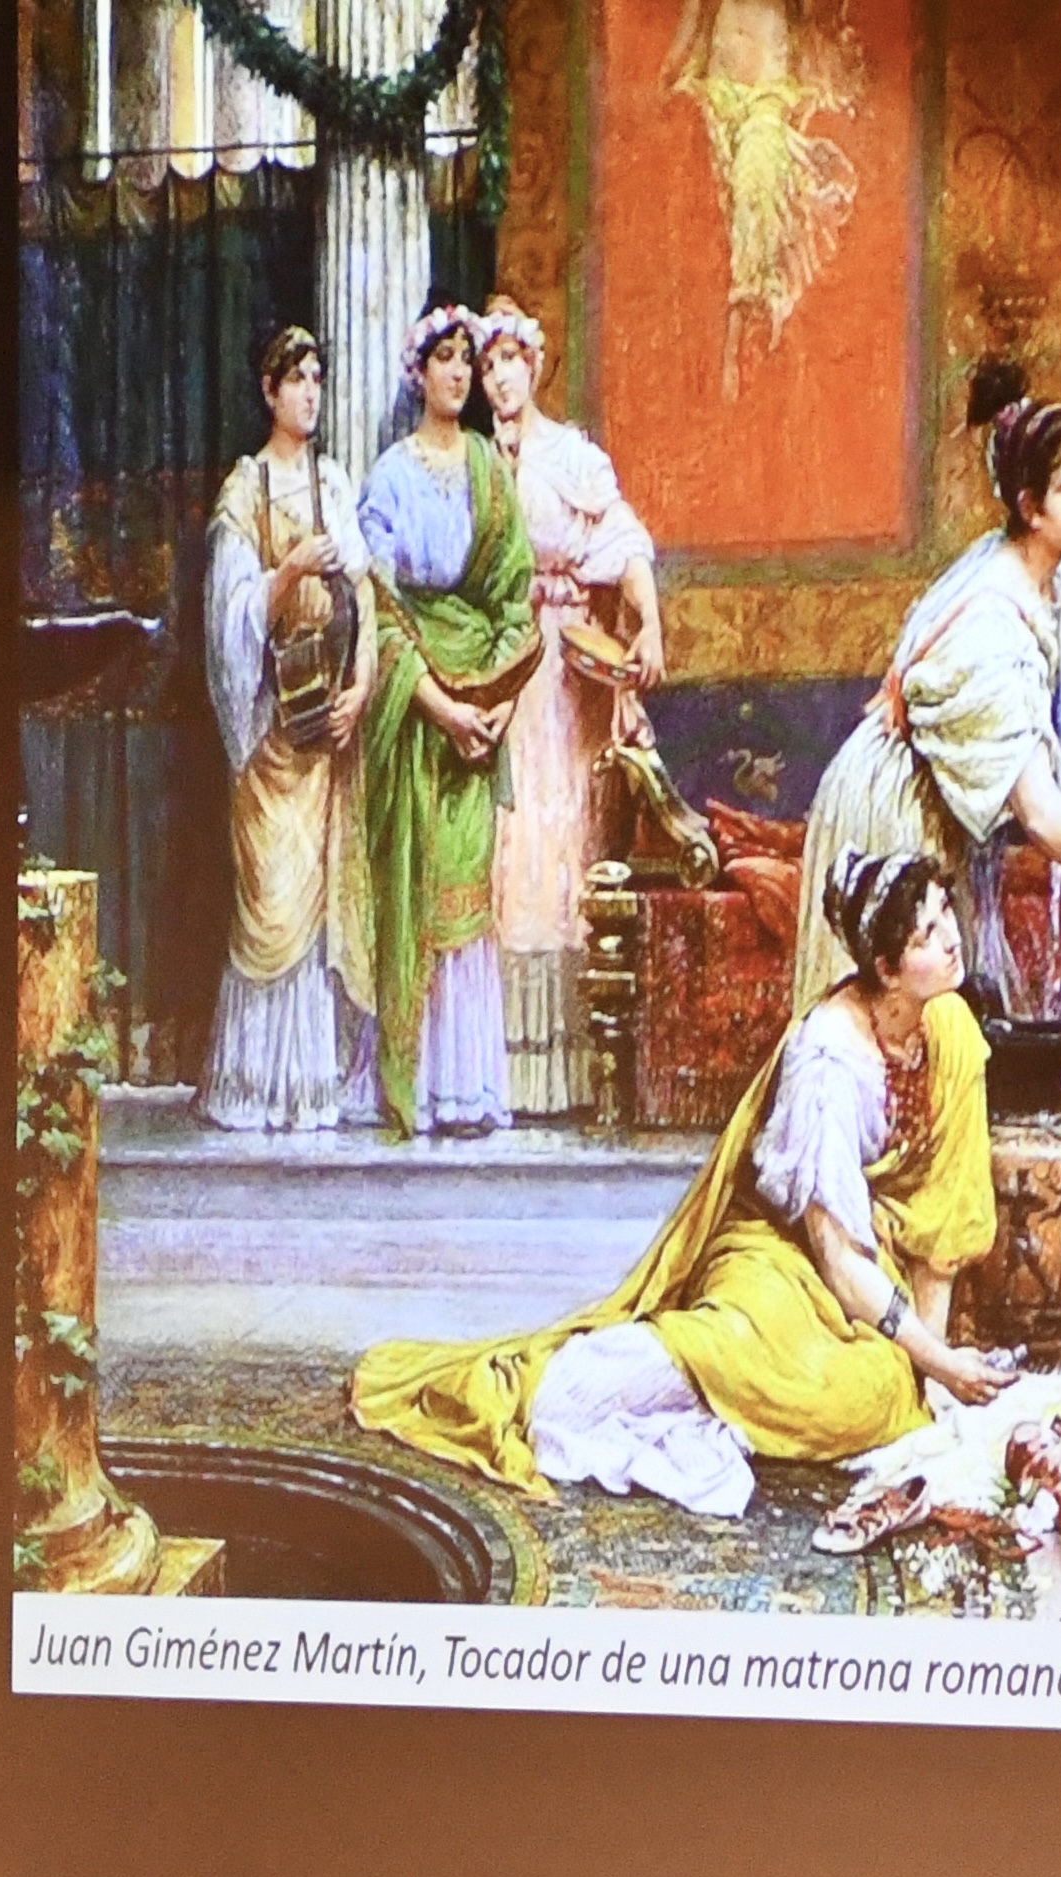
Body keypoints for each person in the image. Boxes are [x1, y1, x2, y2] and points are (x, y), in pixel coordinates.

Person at [352, 850, 1009, 1516]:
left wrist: (933, 1372)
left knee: (886, 1392)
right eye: (927, 935)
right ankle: (566, 1386)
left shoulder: (948, 1023)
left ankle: (717, 1393)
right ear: (886, 970)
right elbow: (836, 1258)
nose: (952, 939)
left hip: (869, 1266)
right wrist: (940, 1363)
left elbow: (943, 1213)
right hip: (779, 1250)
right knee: (828, 1384)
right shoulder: (829, 1064)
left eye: (946, 913)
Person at [786, 399, 1061, 1023]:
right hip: (896, 808)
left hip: (942, 808)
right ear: (1031, 508)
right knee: (892, 1016)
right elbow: (1041, 814)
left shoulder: (1055, 577)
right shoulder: (993, 629)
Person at [351, 305, 537, 1134]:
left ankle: (466, 1086)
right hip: (417, 710)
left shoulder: (490, 470)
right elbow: (380, 613)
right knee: (416, 887)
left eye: (468, 359)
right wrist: (442, 707)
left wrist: (493, 706)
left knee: (468, 886)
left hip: (481, 710)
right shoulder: (390, 477)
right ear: (419, 374)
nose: (460, 373)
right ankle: (414, 1085)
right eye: (446, 359)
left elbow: (514, 599)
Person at [476, 308, 660, 1121]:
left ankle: (564, 1070)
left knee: (558, 838)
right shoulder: (476, 460)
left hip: (560, 669)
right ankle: (495, 1064)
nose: (500, 378)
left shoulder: (572, 457)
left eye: (510, 361)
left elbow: (627, 543)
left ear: (535, 366)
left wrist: (649, 625)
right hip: (496, 663)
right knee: (503, 841)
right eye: (488, 367)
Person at [203, 324, 373, 1130]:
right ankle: (253, 1087)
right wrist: (291, 570)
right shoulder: (246, 490)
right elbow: (229, 614)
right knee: (270, 896)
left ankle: (310, 1085)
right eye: (295, 379)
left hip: (326, 724)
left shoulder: (333, 484)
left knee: (319, 897)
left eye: (317, 379)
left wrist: (361, 686)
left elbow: (366, 595)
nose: (310, 393)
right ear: (268, 392)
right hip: (273, 725)